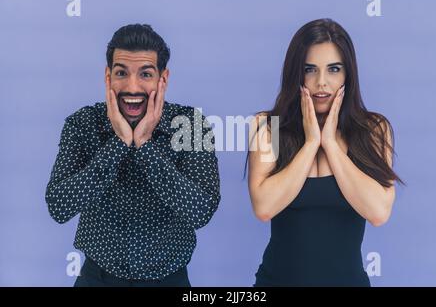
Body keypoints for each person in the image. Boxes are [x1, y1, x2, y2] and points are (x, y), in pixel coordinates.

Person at [45, 24, 221, 287]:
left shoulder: (191, 124)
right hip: (98, 278)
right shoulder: (82, 124)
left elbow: (201, 211)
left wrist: (145, 145)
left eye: (146, 74)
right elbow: (59, 206)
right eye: (121, 73)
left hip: (168, 280)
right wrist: (118, 144)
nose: (132, 86)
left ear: (163, 79)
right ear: (108, 77)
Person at [247, 18, 403, 287]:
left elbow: (378, 212)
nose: (321, 82)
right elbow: (264, 207)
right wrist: (310, 144)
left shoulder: (374, 129)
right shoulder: (267, 126)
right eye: (310, 69)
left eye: (333, 69)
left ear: (347, 74)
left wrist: (330, 144)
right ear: (296, 73)